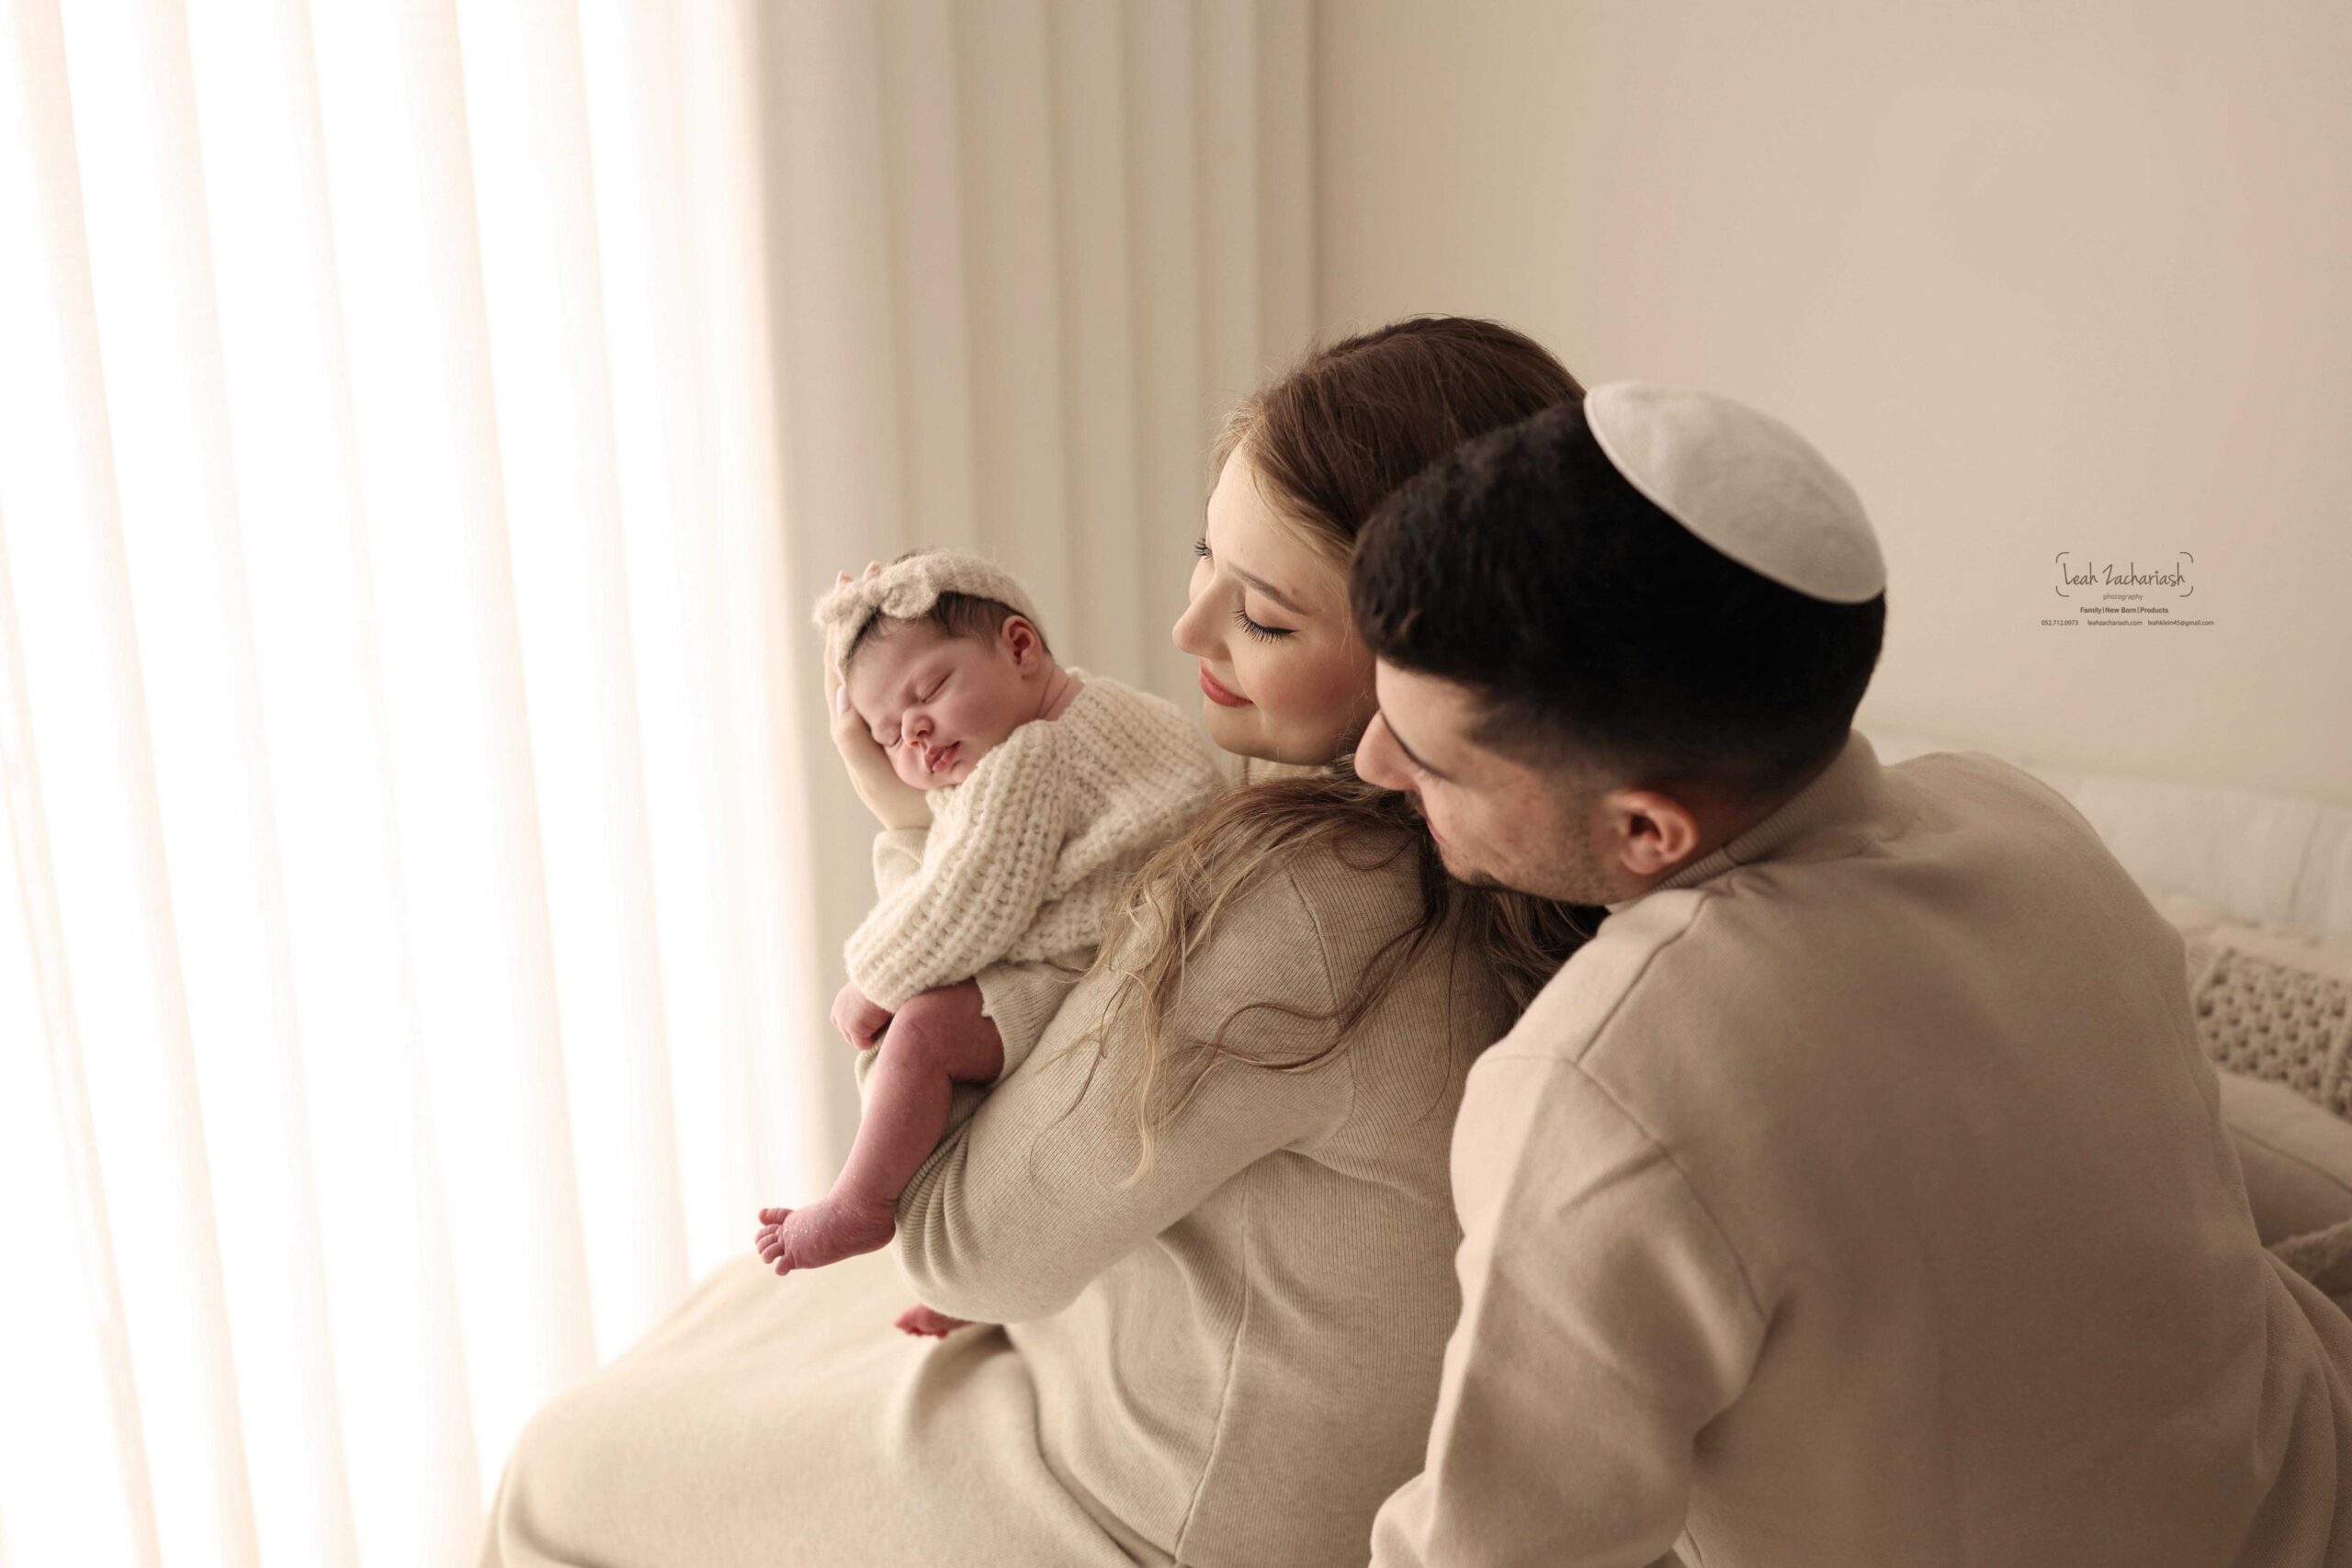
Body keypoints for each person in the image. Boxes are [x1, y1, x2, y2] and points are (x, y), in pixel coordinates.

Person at [477, 317, 1603, 1568]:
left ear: (1436, 659)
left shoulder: (1309, 896)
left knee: (559, 1468)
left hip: (1167, 1503)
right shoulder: (1551, 857)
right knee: (729, 1321)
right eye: (1205, 559)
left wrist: (915, 827)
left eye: (1264, 617)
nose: (1189, 632)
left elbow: (961, 1242)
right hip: (1251, 1400)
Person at [1348, 384, 2352, 1566]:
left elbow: (1498, 1551)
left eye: (1427, 759)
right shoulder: (2023, 815)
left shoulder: (1602, 1080)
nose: (1368, 764)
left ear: (1648, 831)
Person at [756, 549, 1223, 1337]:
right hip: (1132, 945)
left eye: (928, 691)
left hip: (1090, 966)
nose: (914, 734)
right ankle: (977, 1288)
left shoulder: (1029, 755)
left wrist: (872, 981)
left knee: (921, 1034)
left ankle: (861, 1201)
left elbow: (964, 903)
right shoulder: (1099, 710)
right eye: (887, 734)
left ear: (1020, 646)